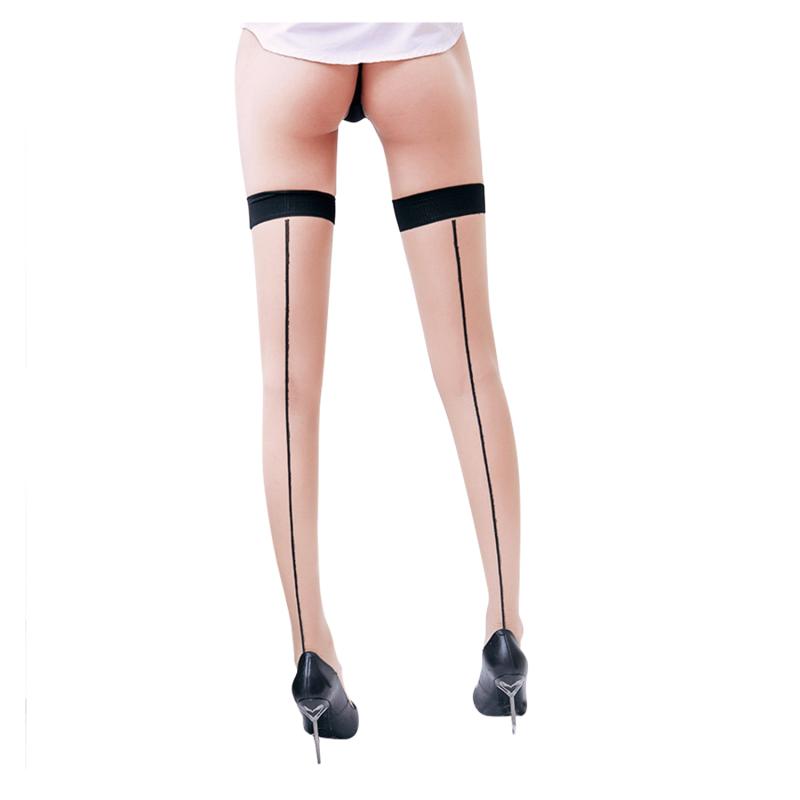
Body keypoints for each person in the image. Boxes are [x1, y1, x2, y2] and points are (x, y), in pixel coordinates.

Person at [234, 22, 528, 763]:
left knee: (288, 384)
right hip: (418, 51)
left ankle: (311, 652)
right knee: (471, 367)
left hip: (289, 55)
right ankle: (505, 632)